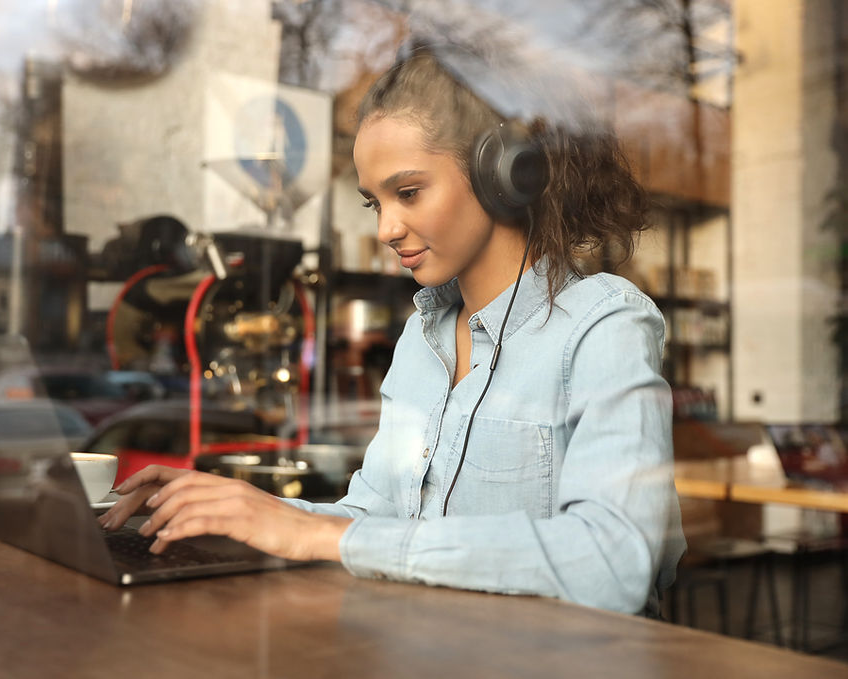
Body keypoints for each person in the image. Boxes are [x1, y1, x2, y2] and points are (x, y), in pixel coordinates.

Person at [99, 45, 685, 617]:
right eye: (372, 203)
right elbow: (375, 521)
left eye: (407, 193)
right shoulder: (421, 339)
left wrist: (316, 537)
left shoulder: (604, 325)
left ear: (503, 174)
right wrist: (238, 508)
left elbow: (613, 565)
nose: (386, 228)